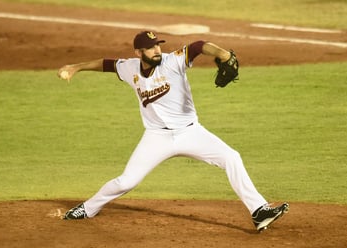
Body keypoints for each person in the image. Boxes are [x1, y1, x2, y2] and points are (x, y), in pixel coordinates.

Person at [58, 30, 288, 232]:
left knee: (231, 157)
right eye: (150, 48)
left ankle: (259, 210)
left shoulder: (173, 61)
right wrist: (75, 67)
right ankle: (87, 209)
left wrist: (223, 54)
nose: (157, 50)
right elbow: (106, 64)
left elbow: (198, 46)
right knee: (126, 182)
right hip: (156, 137)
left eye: (158, 44)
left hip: (191, 132)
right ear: (139, 53)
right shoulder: (130, 68)